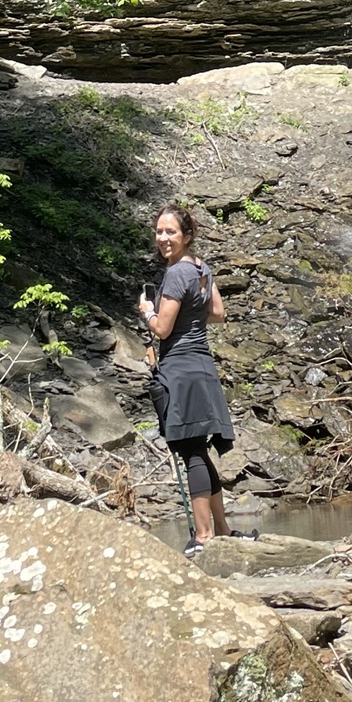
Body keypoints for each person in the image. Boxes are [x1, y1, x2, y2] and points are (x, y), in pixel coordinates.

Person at [137, 204, 239, 555]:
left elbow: (162, 329)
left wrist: (149, 313)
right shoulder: (201, 268)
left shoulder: (177, 273)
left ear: (187, 236)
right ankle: (222, 528)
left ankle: (203, 536)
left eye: (171, 232)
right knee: (199, 450)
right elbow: (218, 313)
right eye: (160, 231)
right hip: (203, 367)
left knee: (191, 451)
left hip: (179, 370)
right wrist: (190, 320)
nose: (163, 238)